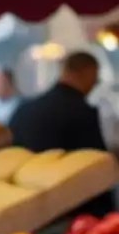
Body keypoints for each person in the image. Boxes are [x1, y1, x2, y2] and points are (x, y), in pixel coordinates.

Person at [10, 51, 111, 215]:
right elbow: (97, 168)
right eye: (95, 78)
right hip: (74, 213)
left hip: (27, 208)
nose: (95, 84)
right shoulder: (83, 113)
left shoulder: (24, 110)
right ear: (88, 72)